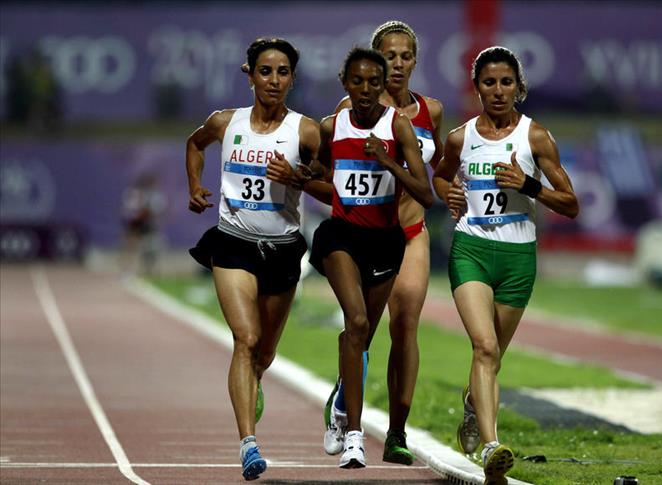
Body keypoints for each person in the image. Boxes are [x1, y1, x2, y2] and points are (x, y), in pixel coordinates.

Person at [432, 46, 579, 484]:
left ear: (519, 87)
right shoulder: (460, 138)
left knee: (493, 357)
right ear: (476, 87)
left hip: (518, 258)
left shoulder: (536, 137)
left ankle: (473, 402)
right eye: (489, 82)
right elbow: (440, 173)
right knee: (485, 348)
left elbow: (570, 204)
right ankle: (492, 448)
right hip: (471, 250)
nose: (498, 91)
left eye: (506, 82)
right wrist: (448, 193)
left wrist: (528, 184)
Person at [185, 37, 319, 481]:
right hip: (233, 244)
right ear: (250, 76)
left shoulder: (305, 131)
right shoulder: (226, 122)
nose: (274, 80)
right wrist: (194, 186)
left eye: (282, 72)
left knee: (264, 352)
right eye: (265, 71)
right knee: (245, 338)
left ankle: (253, 378)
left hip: (282, 249)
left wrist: (298, 176)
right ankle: (248, 444)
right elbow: (195, 144)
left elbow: (328, 178)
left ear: (292, 79)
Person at [322, 20, 444, 466]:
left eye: (405, 56)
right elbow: (334, 168)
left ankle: (396, 433)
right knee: (362, 329)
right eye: (389, 56)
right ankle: (344, 394)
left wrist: (452, 188)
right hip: (364, 232)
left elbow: (437, 169)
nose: (397, 64)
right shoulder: (354, 107)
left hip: (409, 234)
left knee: (406, 324)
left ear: (415, 60)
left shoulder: (430, 111)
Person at [120, 172, 167, 277]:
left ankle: (149, 270)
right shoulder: (133, 194)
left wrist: (148, 214)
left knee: (151, 247)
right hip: (135, 225)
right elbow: (128, 212)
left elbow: (158, 212)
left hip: (149, 225)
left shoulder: (155, 196)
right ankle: (127, 270)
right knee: (131, 247)